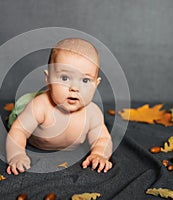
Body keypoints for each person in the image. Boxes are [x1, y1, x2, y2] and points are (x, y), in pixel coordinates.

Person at [6, 38, 112, 175]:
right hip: (26, 116)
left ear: (96, 84)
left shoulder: (93, 113)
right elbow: (18, 131)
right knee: (19, 114)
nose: (74, 88)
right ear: (48, 78)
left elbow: (102, 139)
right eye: (64, 78)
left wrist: (99, 154)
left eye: (85, 80)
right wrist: (16, 155)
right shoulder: (40, 106)